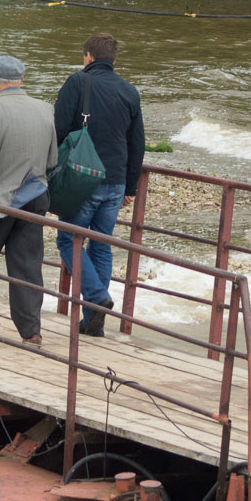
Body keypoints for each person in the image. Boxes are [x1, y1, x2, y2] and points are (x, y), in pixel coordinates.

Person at [53, 32, 146, 337]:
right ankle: (94, 320)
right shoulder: (130, 91)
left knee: (69, 240)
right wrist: (131, 186)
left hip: (83, 178)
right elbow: (137, 143)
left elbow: (59, 127)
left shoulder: (78, 82)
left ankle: (96, 298)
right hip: (116, 180)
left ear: (88, 56)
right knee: (102, 245)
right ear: (114, 60)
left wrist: (52, 169)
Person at [0, 54, 57, 346]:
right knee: (28, 264)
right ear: (21, 80)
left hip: (1, 201)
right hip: (36, 195)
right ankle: (31, 331)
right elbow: (53, 158)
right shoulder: (46, 109)